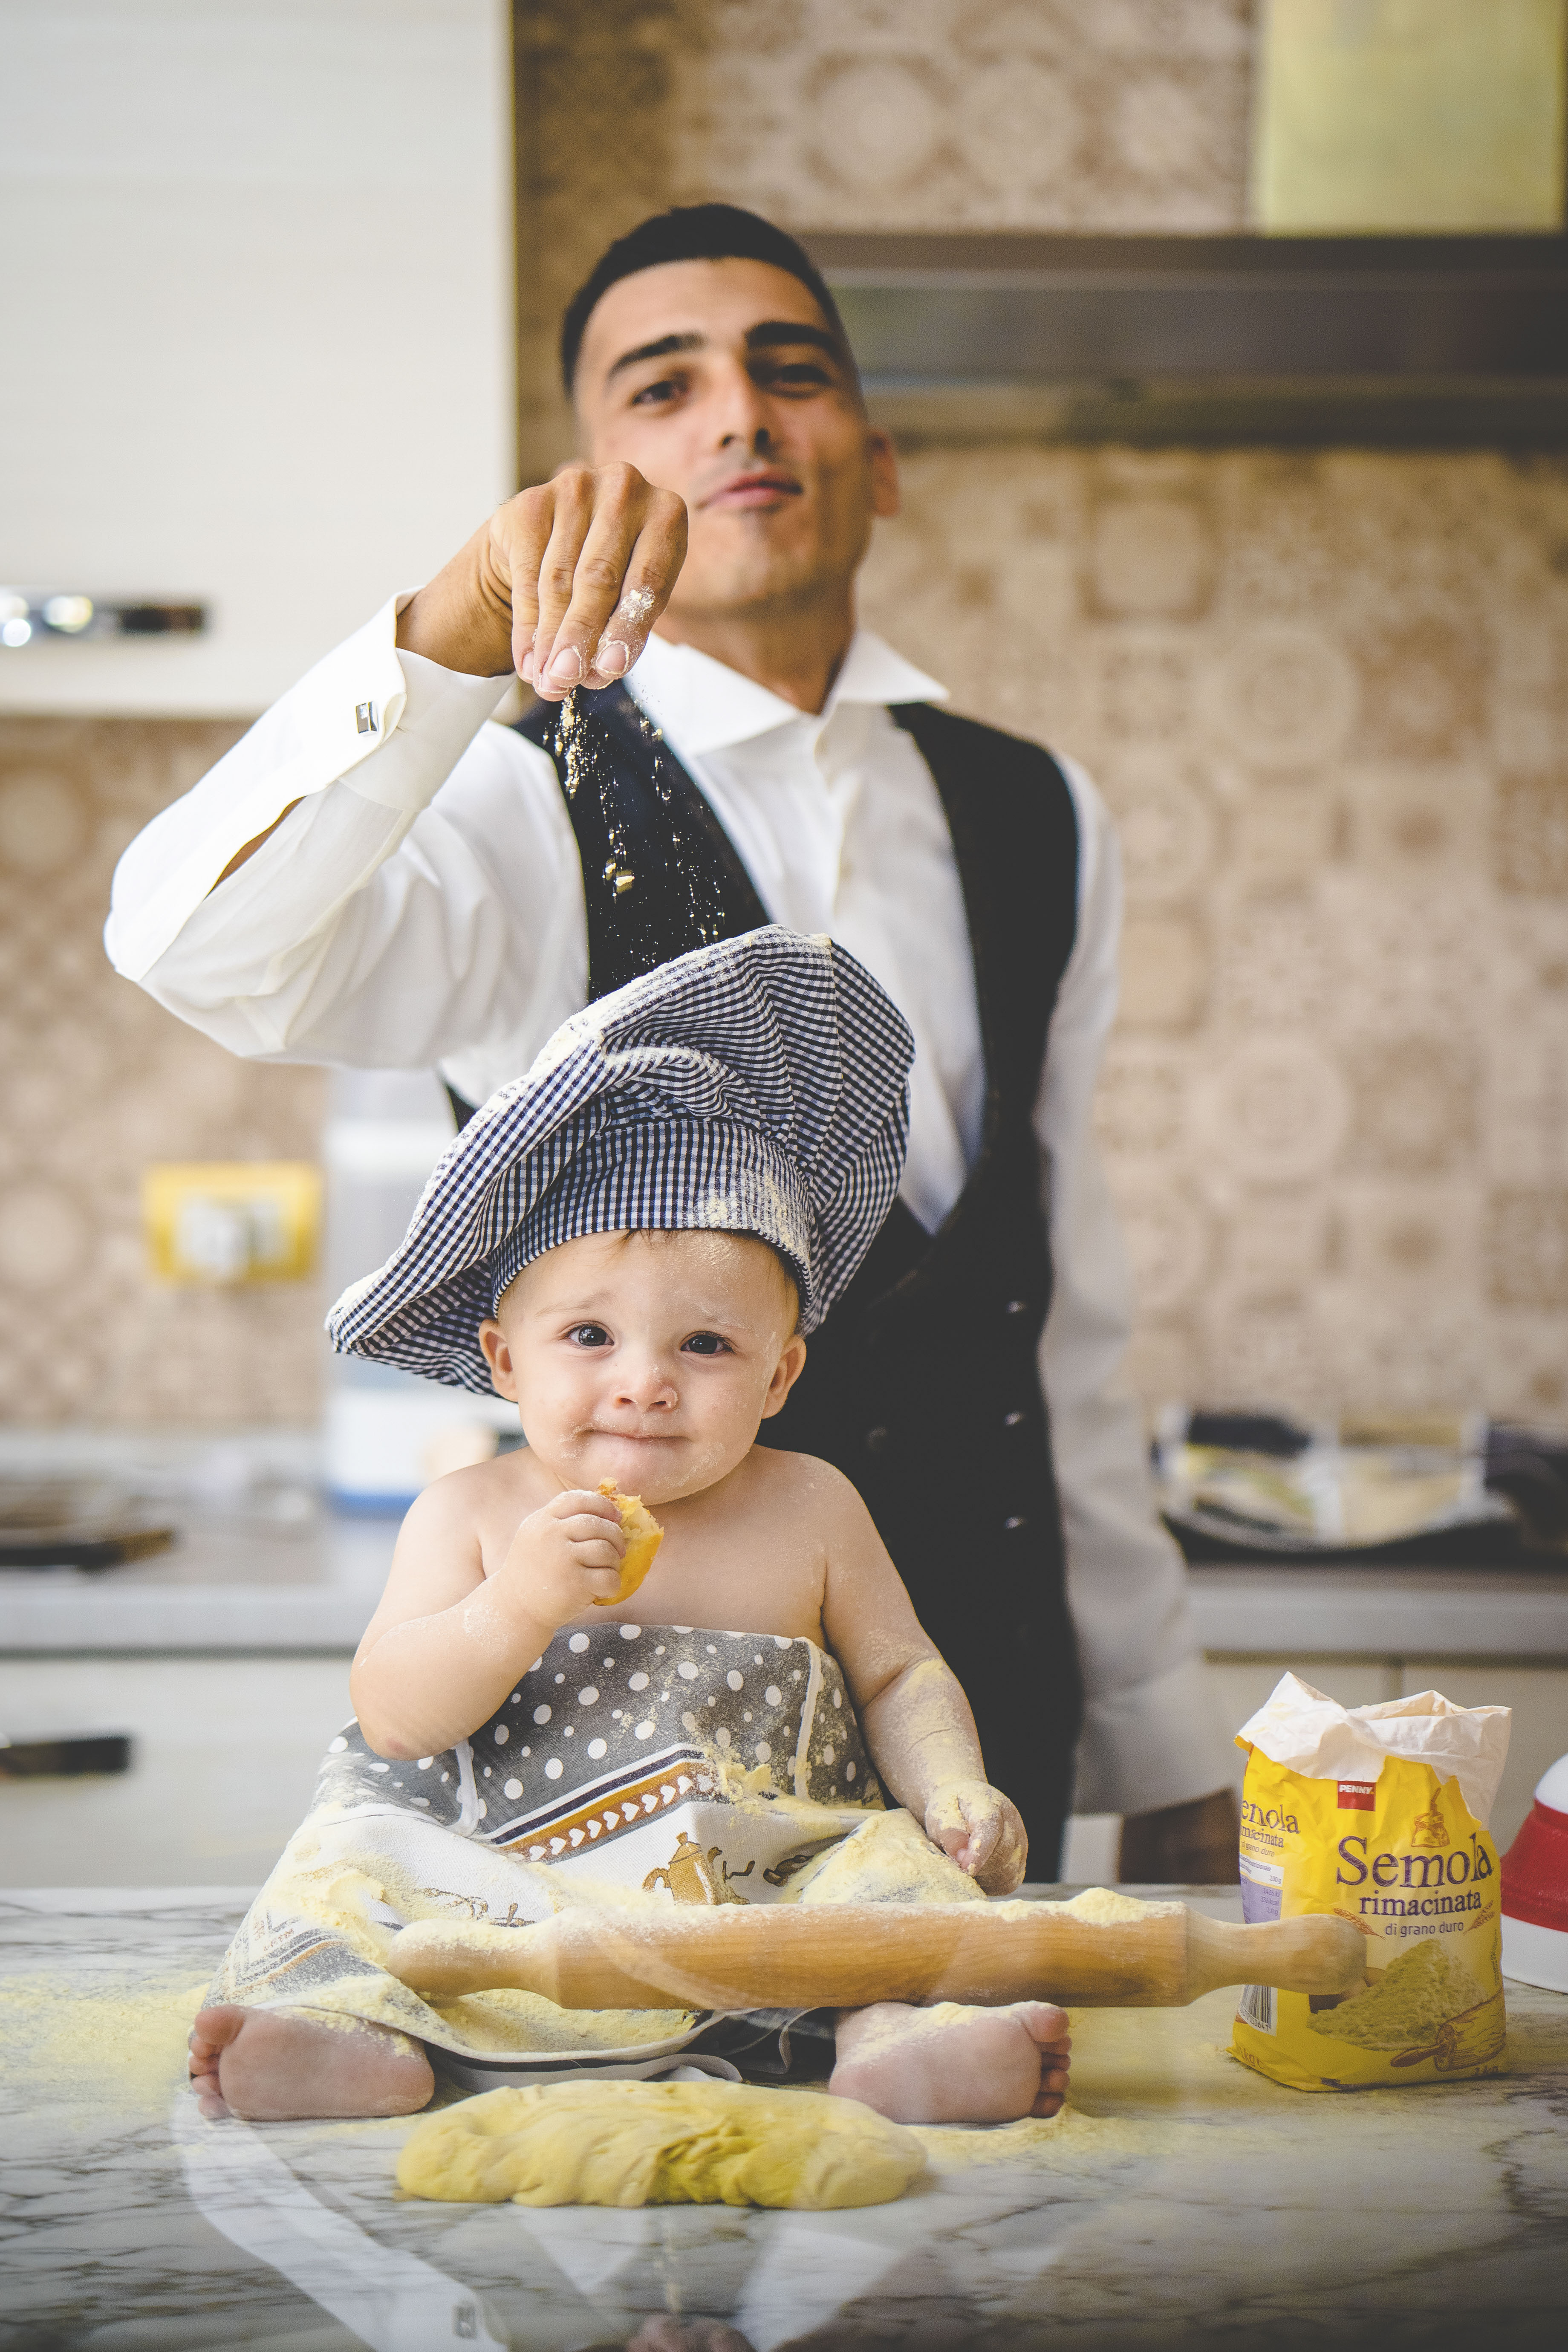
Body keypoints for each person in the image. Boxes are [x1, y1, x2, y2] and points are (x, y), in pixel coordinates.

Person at [108, 202, 1234, 1877]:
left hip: (976, 1710)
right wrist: (440, 642)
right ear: (587, 477)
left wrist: (1166, 1742)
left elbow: (1052, 1312)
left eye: (792, 371)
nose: (738, 415)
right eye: (663, 385)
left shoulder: (1037, 810)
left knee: (965, 2113)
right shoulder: (504, 795)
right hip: (621, 1749)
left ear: (877, 455)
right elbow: (192, 949)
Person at [189, 930, 1072, 2129]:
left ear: (781, 1373)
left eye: (706, 1345)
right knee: (351, 1858)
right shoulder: (473, 1513)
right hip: (506, 1886)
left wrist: (955, 1783)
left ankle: (894, 2036)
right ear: (503, 1361)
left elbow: (901, 1669)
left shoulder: (811, 1505)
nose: (646, 1382)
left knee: (894, 1875)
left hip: (766, 1885)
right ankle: (343, 2031)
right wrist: (516, 1607)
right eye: (589, 1337)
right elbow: (396, 1716)